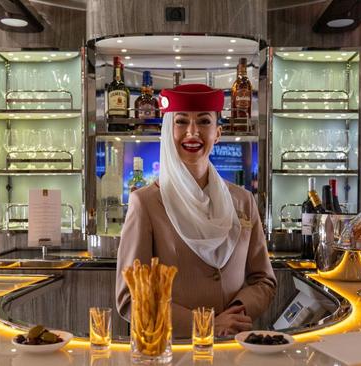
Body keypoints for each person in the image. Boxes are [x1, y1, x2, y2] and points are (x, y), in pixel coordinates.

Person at [115, 84, 276, 337]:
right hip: (174, 348)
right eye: (181, 122)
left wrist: (236, 311)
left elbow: (263, 280)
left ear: (218, 133)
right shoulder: (145, 203)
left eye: (203, 121)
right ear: (168, 132)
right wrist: (207, 324)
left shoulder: (244, 201)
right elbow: (131, 298)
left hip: (232, 346)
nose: (192, 132)